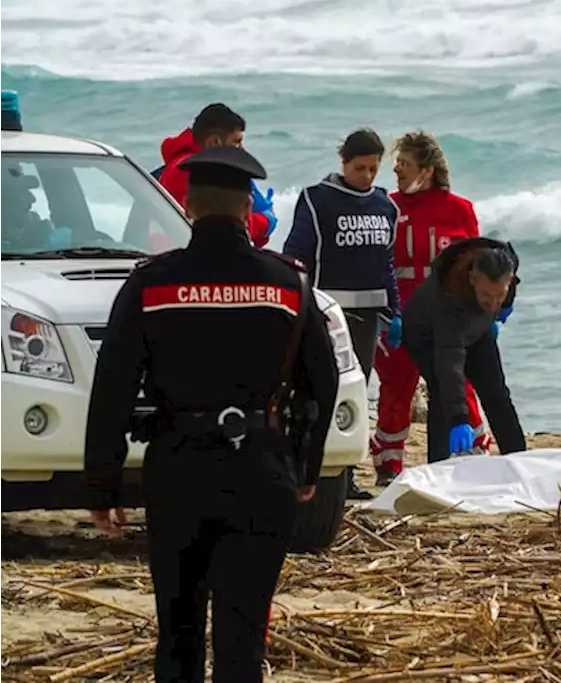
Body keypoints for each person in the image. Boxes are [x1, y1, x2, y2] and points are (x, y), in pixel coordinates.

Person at [82, 145, 339, 683]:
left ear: (189, 207)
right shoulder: (288, 284)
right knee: (242, 636)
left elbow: (113, 387)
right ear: (249, 208)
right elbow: (324, 376)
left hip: (179, 469)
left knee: (178, 630)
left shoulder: (151, 284)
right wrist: (306, 467)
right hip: (262, 470)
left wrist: (102, 485)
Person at [370, 131, 503, 483]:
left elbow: (480, 264)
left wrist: (488, 314)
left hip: (451, 317)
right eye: (396, 162)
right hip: (398, 314)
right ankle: (389, 467)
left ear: (426, 170)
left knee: (459, 383)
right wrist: (385, 313)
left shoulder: (460, 209)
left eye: (405, 163)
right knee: (397, 386)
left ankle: (473, 454)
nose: (396, 169)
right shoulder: (386, 206)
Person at [282, 128, 400, 499]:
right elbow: (298, 254)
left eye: (373, 169)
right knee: (318, 391)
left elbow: (387, 265)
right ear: (344, 163)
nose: (366, 176)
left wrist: (395, 312)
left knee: (356, 391)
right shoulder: (318, 200)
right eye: (360, 168)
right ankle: (309, 471)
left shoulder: (386, 206)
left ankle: (345, 477)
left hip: (367, 317)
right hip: (326, 315)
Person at [401, 237, 528, 463]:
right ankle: (439, 466)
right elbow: (449, 366)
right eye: (486, 296)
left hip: (478, 329)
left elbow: (509, 284)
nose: (493, 303)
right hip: (426, 337)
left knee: (496, 391)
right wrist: (460, 419)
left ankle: (518, 457)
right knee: (442, 393)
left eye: (499, 295)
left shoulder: (504, 266)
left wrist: (506, 304)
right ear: (472, 279)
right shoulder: (450, 300)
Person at [157, 102, 277, 248]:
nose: (242, 150)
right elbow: (224, 227)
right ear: (214, 142)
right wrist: (265, 222)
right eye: (236, 142)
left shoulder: (181, 165)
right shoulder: (190, 171)